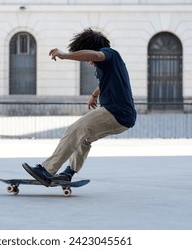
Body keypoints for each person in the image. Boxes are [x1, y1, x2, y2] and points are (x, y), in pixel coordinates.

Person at [23, 28, 137, 186]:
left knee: (74, 130)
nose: (88, 62)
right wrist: (95, 94)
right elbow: (109, 83)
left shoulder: (109, 54)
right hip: (125, 117)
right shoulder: (110, 65)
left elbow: (96, 55)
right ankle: (68, 173)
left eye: (86, 58)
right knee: (84, 139)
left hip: (115, 112)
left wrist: (64, 55)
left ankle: (47, 170)